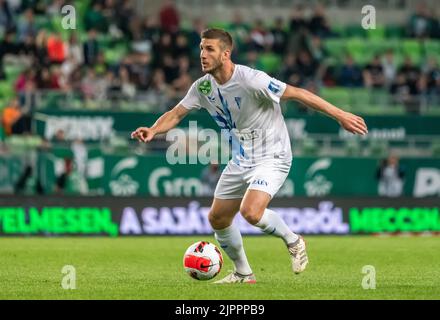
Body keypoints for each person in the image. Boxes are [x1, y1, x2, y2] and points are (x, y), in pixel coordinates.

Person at [131, 29, 368, 283]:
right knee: (218, 218)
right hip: (242, 157)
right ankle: (244, 273)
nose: (202, 54)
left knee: (251, 212)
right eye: (201, 48)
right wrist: (154, 130)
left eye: (209, 49)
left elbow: (299, 93)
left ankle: (294, 240)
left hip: (273, 155)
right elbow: (177, 113)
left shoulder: (252, 80)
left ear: (226, 53)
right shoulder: (202, 86)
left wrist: (341, 116)